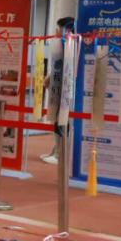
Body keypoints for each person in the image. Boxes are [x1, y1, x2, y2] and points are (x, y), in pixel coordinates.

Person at [40, 16, 75, 165]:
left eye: (59, 28)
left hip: (66, 91)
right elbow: (57, 66)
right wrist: (49, 78)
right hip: (58, 88)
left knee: (63, 121)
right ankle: (56, 150)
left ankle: (60, 154)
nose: (57, 31)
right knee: (56, 119)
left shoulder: (72, 44)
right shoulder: (61, 44)